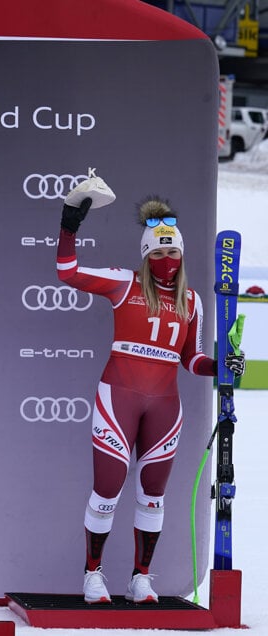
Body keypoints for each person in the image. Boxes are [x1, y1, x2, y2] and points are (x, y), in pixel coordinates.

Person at [56, 195, 245, 604]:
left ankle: (141, 577)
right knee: (107, 488)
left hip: (164, 404)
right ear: (146, 255)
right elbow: (67, 272)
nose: (166, 258)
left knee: (153, 492)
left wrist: (221, 365)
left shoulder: (190, 300)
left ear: (181, 253)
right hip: (118, 397)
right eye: (158, 251)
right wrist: (69, 227)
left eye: (172, 250)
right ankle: (93, 575)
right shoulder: (125, 282)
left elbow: (190, 359)